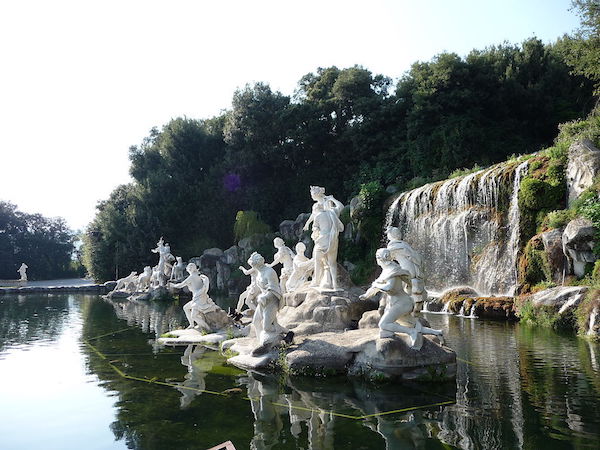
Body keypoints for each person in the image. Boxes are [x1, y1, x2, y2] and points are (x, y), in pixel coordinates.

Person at [360, 248, 443, 349]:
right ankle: (437, 332)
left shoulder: (393, 270)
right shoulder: (386, 270)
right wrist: (366, 295)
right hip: (397, 303)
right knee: (412, 324)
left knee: (384, 324)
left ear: (379, 259)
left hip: (402, 303)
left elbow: (388, 287)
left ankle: (411, 333)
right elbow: (375, 287)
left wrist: (377, 285)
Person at [247, 252, 293, 355]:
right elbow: (262, 288)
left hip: (272, 300)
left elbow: (275, 289)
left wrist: (264, 297)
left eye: (253, 265)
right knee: (256, 321)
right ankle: (260, 341)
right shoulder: (259, 272)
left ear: (257, 264)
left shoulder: (269, 272)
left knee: (267, 327)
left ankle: (287, 333)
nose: (252, 267)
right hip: (263, 301)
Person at [303, 186, 344, 290]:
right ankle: (332, 283)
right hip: (333, 236)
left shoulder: (325, 205)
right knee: (331, 262)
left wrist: (313, 231)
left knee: (318, 259)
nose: (311, 196)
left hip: (323, 238)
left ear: (316, 194)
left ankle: (318, 281)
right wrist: (307, 223)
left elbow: (315, 223)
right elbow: (340, 208)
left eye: (312, 194)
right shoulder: (330, 210)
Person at [170, 263, 218, 331]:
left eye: (191, 267)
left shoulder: (192, 277)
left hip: (199, 299)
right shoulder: (197, 275)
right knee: (186, 307)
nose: (190, 269)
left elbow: (181, 285)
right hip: (198, 298)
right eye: (189, 267)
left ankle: (208, 329)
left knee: (194, 316)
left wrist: (173, 285)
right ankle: (192, 325)